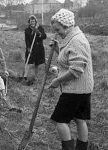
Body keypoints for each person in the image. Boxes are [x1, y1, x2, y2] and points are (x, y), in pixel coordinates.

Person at [49, 9, 94, 150]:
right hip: (82, 89)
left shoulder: (76, 40)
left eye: (58, 29)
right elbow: (69, 60)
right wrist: (58, 49)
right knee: (79, 119)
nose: (57, 33)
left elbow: (76, 69)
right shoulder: (73, 38)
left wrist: (57, 81)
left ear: (67, 25)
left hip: (74, 90)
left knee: (60, 121)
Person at [23, 15, 47, 83]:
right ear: (29, 22)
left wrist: (38, 33)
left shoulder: (39, 28)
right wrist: (28, 47)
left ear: (35, 21)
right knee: (28, 62)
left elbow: (44, 36)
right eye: (31, 21)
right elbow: (26, 40)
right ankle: (25, 75)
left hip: (38, 48)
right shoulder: (27, 30)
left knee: (37, 63)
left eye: (33, 21)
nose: (32, 22)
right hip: (31, 48)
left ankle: (35, 77)